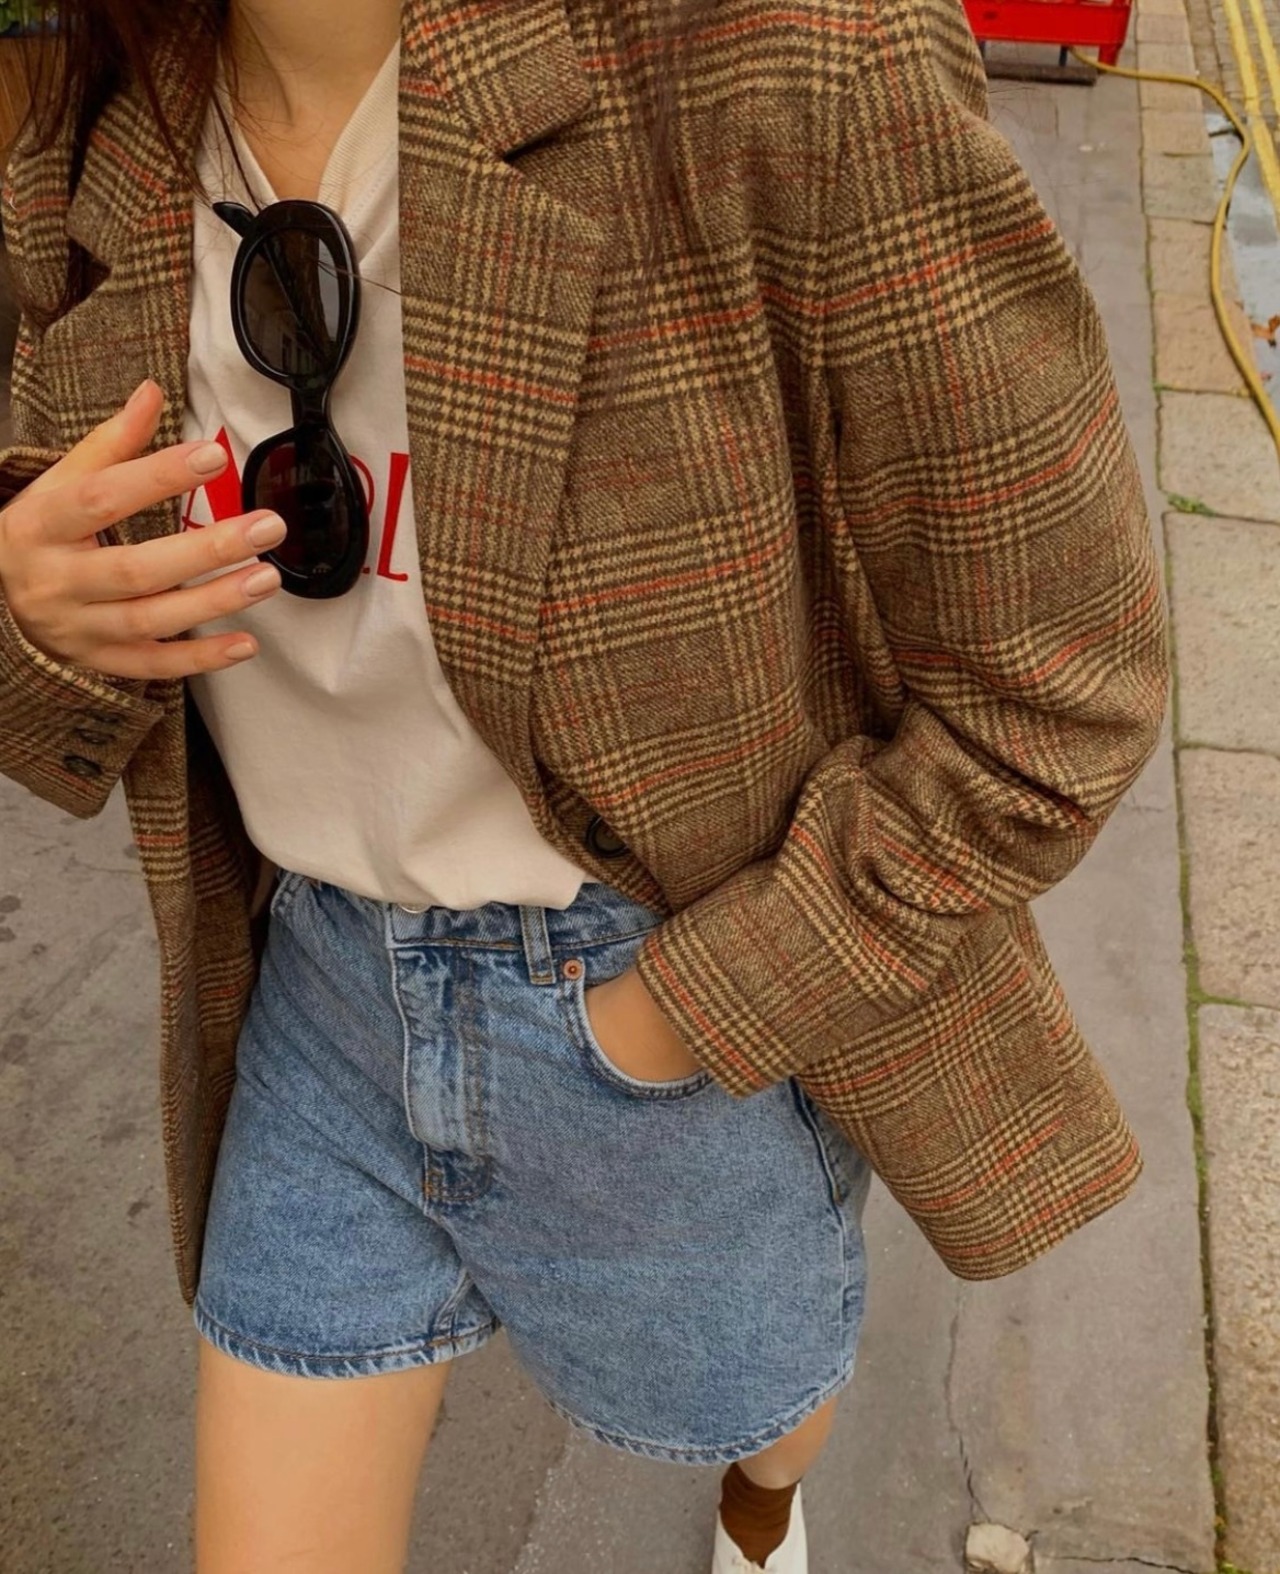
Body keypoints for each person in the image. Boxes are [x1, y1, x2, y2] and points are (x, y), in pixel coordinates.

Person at [0, 0, 1169, 1569]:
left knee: (767, 1411)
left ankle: (763, 1509)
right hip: (316, 997)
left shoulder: (789, 54)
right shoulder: (75, 113)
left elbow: (1061, 690)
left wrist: (686, 1010)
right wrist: (36, 616)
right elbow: (57, 658)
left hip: (665, 992)